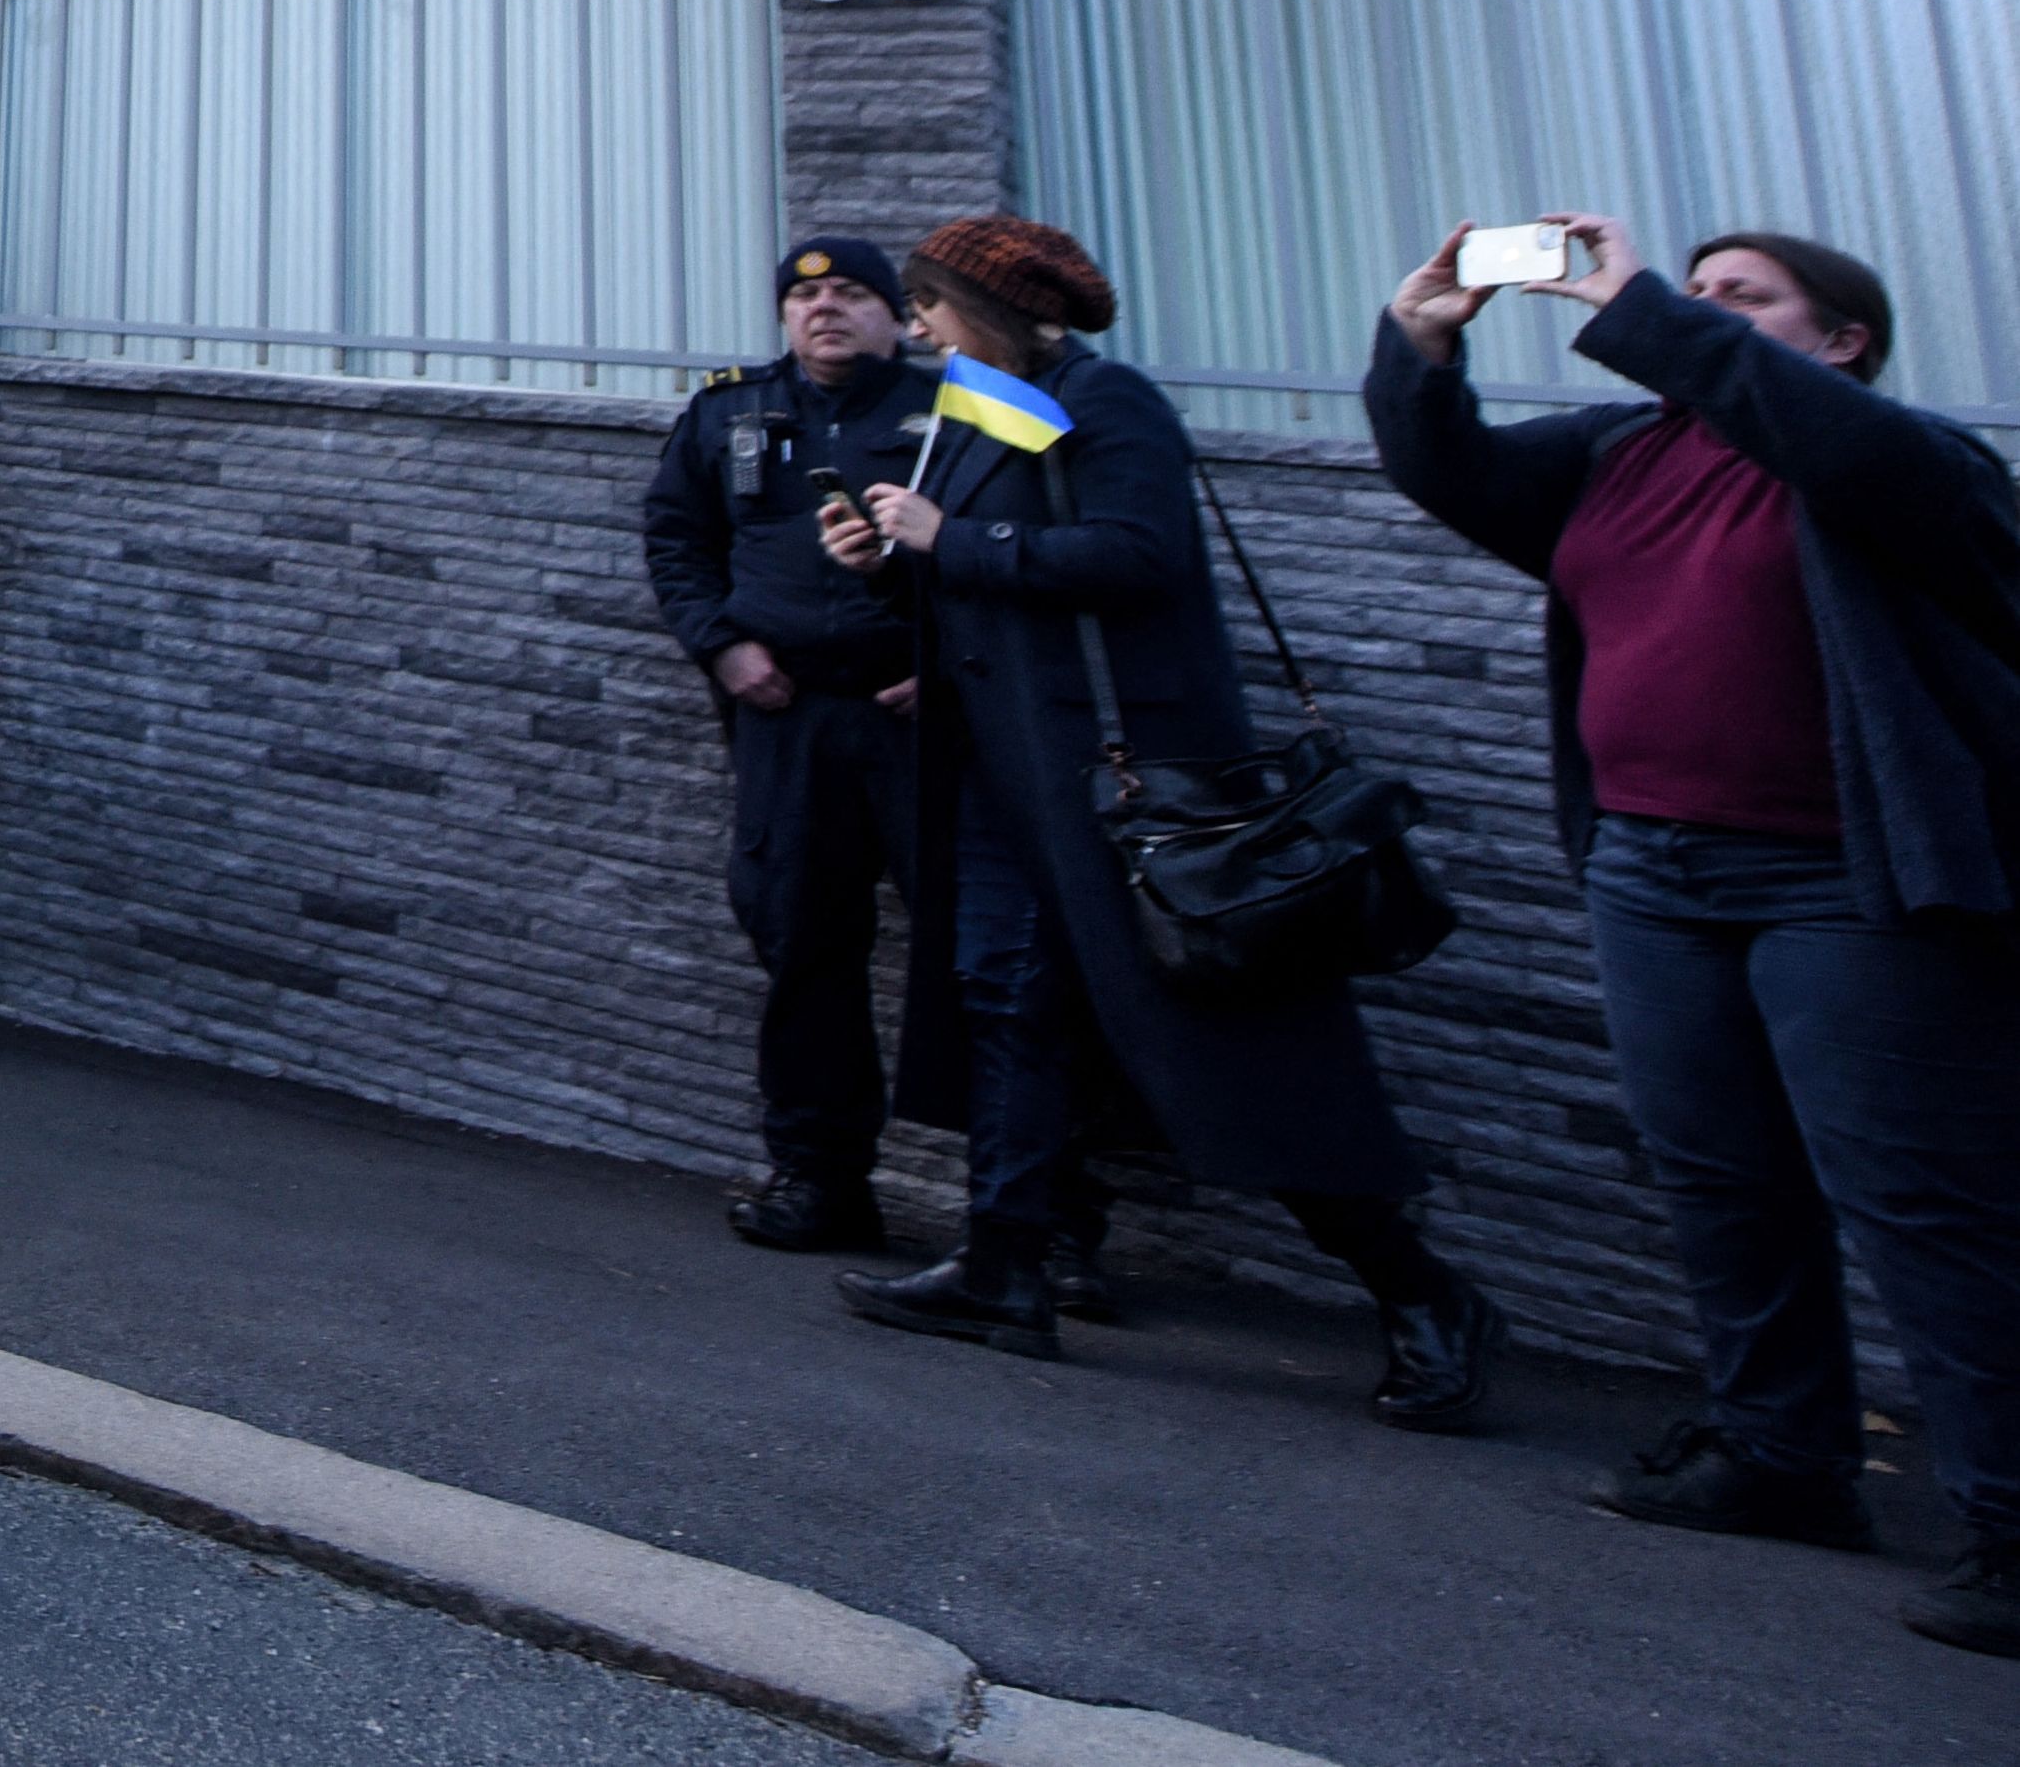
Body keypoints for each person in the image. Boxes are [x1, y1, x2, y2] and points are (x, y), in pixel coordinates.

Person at [1368, 216, 2020, 1659]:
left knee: (1921, 1201)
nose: (1696, 311)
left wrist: (1648, 305)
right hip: (1652, 871)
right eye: (1697, 292)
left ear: (1839, 339)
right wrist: (1419, 349)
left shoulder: (1905, 464)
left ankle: (2012, 1522)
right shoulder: (1618, 456)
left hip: (1848, 887)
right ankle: (1783, 1458)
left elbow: (1837, 452)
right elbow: (1452, 474)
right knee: (1722, 1176)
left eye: (1743, 298)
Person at [818, 215, 1499, 1427]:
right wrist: (890, 560)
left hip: (1124, 792)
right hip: (1010, 780)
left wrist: (953, 537)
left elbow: (1135, 554)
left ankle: (1422, 1292)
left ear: (994, 305)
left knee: (1229, 1055)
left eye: (928, 304)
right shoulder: (987, 404)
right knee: (1007, 1011)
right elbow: (995, 571)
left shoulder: (1106, 394)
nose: (914, 327)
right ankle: (1004, 1265)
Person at [638, 237, 943, 1255]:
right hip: (786, 718)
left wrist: (947, 666)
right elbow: (675, 536)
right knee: (803, 944)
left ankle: (1039, 1212)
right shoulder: (729, 408)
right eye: (803, 295)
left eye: (849, 292)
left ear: (897, 314)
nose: (822, 309)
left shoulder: (954, 410)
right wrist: (719, 648)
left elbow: (1004, 542)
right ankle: (820, 1178)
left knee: (979, 950)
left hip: (922, 719)